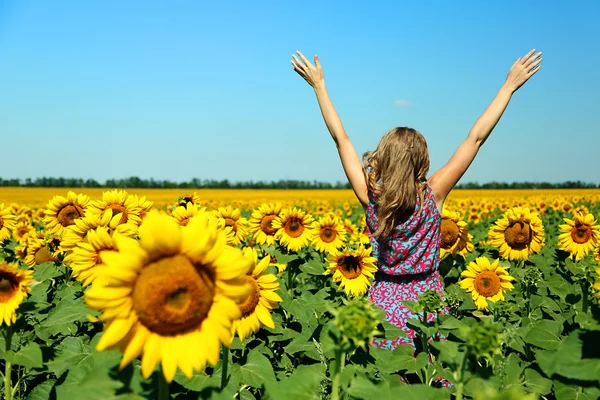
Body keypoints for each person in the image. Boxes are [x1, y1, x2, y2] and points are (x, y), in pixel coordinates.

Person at [291, 49, 541, 379]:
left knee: (388, 382)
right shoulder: (433, 193)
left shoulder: (372, 198)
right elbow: (475, 138)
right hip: (427, 302)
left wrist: (319, 87)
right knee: (429, 381)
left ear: (381, 159)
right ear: (423, 162)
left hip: (382, 301)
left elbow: (342, 139)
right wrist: (509, 86)